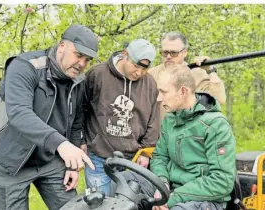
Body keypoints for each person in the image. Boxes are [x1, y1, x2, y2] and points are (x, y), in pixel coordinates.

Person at [0, 24, 96, 210]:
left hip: (50, 160)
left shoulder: (79, 80)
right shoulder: (24, 67)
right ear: (62, 46)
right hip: (10, 162)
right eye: (78, 55)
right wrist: (62, 145)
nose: (82, 64)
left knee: (75, 207)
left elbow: (76, 122)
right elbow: (19, 113)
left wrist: (72, 166)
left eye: (87, 59)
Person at [122, 65, 236, 210]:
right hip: (171, 188)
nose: (158, 98)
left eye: (163, 92)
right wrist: (161, 183)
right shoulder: (170, 120)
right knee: (125, 182)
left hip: (205, 198)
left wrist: (172, 198)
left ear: (183, 91)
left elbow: (222, 182)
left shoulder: (216, 124)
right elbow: (159, 157)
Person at [82, 39, 160, 196]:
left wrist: (145, 151)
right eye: (136, 65)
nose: (139, 72)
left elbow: (154, 119)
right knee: (99, 204)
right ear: (125, 55)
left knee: (128, 204)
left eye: (144, 68)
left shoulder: (150, 83)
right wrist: (81, 140)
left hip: (133, 159)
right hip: (98, 156)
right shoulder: (97, 74)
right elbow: (80, 110)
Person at [148, 31, 226, 119]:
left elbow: (219, 99)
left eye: (174, 53)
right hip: (160, 131)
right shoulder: (151, 75)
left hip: (190, 131)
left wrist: (210, 69)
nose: (169, 56)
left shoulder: (196, 74)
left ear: (184, 52)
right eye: (165, 52)